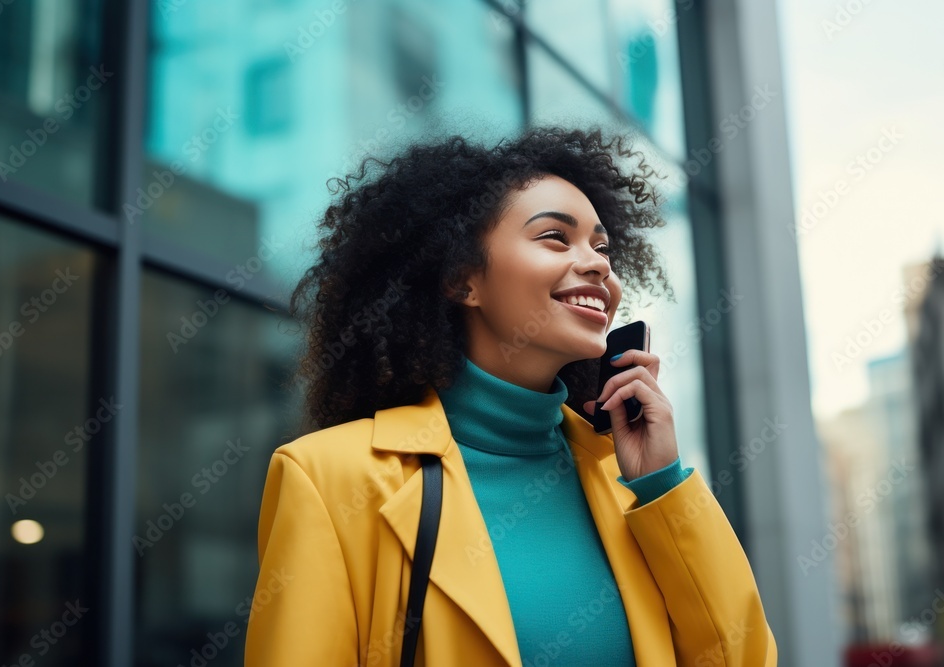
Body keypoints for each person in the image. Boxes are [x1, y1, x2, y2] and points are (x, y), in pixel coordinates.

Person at [243, 126, 778, 666]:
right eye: (554, 237)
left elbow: (743, 658)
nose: (598, 265)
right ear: (462, 280)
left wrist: (662, 484)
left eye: (601, 247)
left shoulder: (632, 485)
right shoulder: (327, 477)